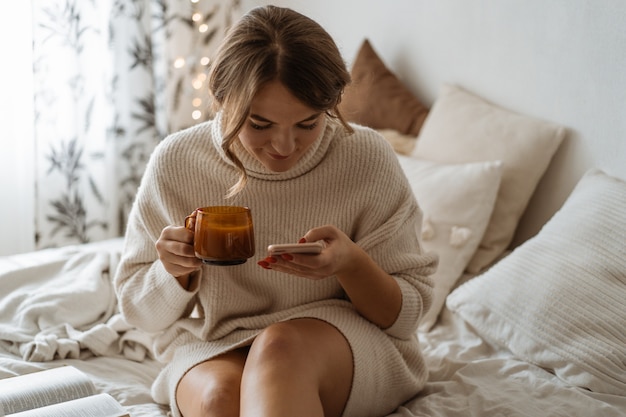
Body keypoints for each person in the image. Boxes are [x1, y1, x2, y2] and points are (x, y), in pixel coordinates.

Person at [114, 5, 437, 417]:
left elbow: (405, 318)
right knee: (219, 401)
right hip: (219, 342)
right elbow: (140, 314)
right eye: (260, 124)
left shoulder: (365, 156)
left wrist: (350, 264)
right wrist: (174, 271)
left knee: (280, 350)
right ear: (220, 99)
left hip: (341, 339)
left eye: (308, 123)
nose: (284, 147)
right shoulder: (177, 162)